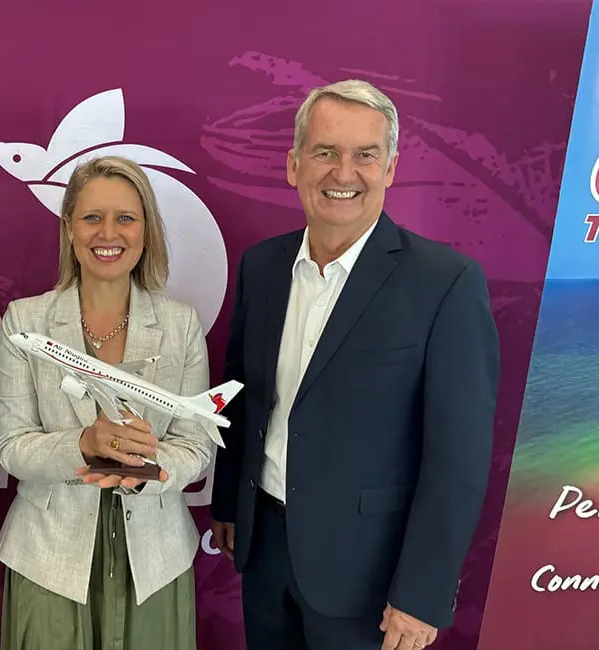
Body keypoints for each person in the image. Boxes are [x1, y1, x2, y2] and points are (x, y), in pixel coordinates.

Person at [209, 79, 500, 650]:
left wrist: (421, 594)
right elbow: (243, 396)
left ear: (390, 168)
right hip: (265, 551)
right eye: (325, 152)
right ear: (294, 165)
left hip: (370, 578)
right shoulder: (263, 267)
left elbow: (458, 459)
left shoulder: (446, 284)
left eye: (365, 155)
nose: (344, 173)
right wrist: (227, 503)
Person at [0, 155, 216, 649]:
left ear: (146, 231)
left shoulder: (180, 326)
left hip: (154, 565)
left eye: (125, 218)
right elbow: (10, 447)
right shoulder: (25, 322)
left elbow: (197, 447)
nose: (107, 233)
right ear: (69, 227)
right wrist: (84, 445)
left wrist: (147, 468)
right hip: (48, 564)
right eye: (92, 217)